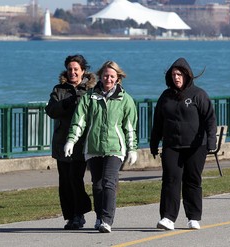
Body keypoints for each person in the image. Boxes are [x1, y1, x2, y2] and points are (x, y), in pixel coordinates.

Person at [64, 61, 138, 233]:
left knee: (108, 182)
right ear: (100, 76)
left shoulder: (125, 99)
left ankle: (107, 220)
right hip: (93, 147)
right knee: (97, 185)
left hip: (115, 148)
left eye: (112, 76)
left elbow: (130, 127)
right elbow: (79, 121)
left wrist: (132, 148)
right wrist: (71, 140)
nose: (108, 79)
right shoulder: (89, 97)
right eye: (105, 75)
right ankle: (99, 217)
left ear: (118, 78)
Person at [150, 57, 217, 231]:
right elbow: (157, 121)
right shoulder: (165, 96)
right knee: (170, 180)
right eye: (173, 74)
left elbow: (209, 119)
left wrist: (211, 140)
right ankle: (167, 218)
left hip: (196, 146)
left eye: (179, 74)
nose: (176, 77)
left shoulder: (198, 94)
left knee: (192, 180)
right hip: (172, 145)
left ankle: (193, 217)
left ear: (187, 76)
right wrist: (153, 142)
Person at [45, 54, 96, 230]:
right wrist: (65, 104)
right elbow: (51, 111)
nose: (72, 72)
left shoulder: (91, 90)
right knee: (65, 181)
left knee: (76, 179)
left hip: (82, 143)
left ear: (83, 71)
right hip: (62, 143)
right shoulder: (59, 89)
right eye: (70, 69)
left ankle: (80, 212)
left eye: (76, 69)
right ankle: (71, 216)